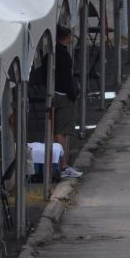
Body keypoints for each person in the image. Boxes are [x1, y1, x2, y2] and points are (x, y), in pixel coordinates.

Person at [53, 24, 82, 178]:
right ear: (66, 37)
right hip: (64, 96)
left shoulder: (52, 53)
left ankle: (58, 164)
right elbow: (66, 79)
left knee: (56, 131)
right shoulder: (64, 55)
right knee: (61, 132)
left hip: (54, 93)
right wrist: (73, 94)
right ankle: (63, 166)